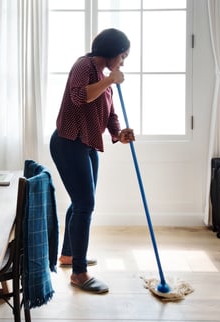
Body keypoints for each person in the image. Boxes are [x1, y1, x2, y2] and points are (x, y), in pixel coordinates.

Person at [49, 28, 135, 294]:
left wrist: (118, 133)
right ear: (111, 52)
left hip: (87, 144)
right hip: (68, 142)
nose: (122, 62)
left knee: (81, 203)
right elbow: (79, 97)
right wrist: (110, 81)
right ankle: (79, 273)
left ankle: (69, 255)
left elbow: (107, 111)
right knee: (85, 204)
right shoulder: (83, 65)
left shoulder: (102, 74)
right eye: (122, 56)